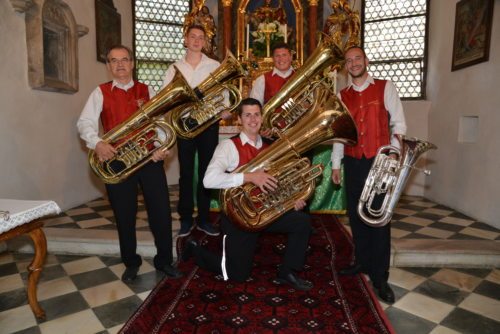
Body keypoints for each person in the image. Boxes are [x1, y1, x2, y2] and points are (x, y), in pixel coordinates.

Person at [181, 98, 313, 291]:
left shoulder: (271, 145)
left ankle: (288, 271)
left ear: (262, 118)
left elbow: (280, 181)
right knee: (236, 274)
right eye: (247, 115)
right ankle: (195, 250)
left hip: (266, 212)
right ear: (240, 120)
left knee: (302, 221)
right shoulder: (228, 147)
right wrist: (249, 177)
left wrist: (293, 199)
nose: (253, 119)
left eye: (257, 114)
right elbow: (208, 180)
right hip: (239, 217)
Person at [77, 45, 183, 282]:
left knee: (161, 212)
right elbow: (84, 123)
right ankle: (131, 262)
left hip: (148, 159)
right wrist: (97, 144)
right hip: (117, 162)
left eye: (124, 59)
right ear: (108, 66)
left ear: (132, 63)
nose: (120, 65)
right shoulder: (100, 92)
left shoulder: (148, 89)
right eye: (114, 61)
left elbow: (161, 125)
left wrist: (160, 148)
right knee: (124, 215)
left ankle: (164, 261)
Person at [331, 46, 406, 303]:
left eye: (357, 58)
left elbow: (399, 123)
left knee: (378, 218)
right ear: (346, 66)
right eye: (349, 60)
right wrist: (335, 164)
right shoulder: (341, 95)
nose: (353, 63)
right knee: (356, 214)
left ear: (366, 61)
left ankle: (380, 275)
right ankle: (362, 262)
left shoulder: (386, 87)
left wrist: (394, 155)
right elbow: (339, 132)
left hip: (380, 160)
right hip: (353, 162)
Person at [162, 25, 231, 237]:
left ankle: (203, 219)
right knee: (185, 173)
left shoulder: (214, 65)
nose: (196, 40)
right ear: (185, 39)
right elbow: (165, 96)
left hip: (208, 124)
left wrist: (224, 108)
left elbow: (223, 91)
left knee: (206, 172)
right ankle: (185, 218)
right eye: (193, 36)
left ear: (204, 41)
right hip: (184, 125)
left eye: (201, 37)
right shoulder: (174, 68)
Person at [249, 42, 294, 107]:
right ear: (273, 59)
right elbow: (253, 107)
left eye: (284, 55)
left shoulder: (302, 77)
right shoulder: (262, 80)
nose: (281, 59)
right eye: (277, 56)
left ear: (291, 57)